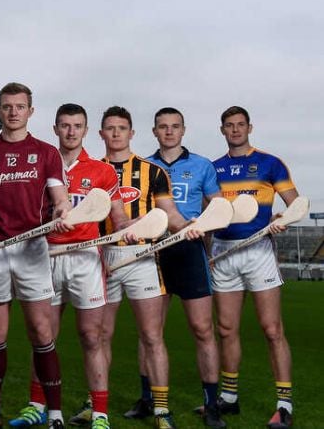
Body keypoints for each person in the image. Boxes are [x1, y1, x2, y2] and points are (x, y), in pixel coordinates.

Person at [0, 83, 72, 429]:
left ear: (30, 111)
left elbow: (60, 198)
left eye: (20, 106)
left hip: (32, 249)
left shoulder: (47, 152)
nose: (13, 112)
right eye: (7, 106)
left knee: (41, 331)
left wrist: (61, 212)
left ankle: (54, 415)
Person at [13, 103, 134, 429]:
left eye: (77, 126)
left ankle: (100, 414)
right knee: (43, 336)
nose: (70, 131)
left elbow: (118, 216)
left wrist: (129, 228)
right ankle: (36, 405)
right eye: (64, 125)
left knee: (91, 336)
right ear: (55, 129)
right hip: (45, 258)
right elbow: (27, 216)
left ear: (85, 130)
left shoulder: (102, 171)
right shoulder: (37, 167)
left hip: (85, 260)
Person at [96, 106, 196, 429]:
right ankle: (95, 406)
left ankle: (162, 410)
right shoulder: (93, 170)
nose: (115, 134)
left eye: (121, 128)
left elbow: (170, 215)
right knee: (99, 336)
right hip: (103, 258)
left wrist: (189, 226)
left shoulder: (153, 172)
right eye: (110, 128)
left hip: (142, 259)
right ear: (101, 134)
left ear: (132, 133)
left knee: (152, 335)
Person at [210, 106, 298, 429]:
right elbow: (210, 216)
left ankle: (284, 404)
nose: (235, 130)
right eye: (229, 126)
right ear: (222, 130)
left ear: (250, 127)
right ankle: (229, 398)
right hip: (223, 251)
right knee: (226, 329)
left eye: (240, 125)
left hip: (259, 250)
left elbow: (296, 205)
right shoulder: (213, 169)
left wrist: (281, 220)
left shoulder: (270, 163)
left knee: (272, 329)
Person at [145, 107, 225, 428]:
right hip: (153, 252)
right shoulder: (145, 166)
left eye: (174, 126)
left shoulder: (202, 165)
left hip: (189, 251)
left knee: (203, 330)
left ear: (183, 130)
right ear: (154, 131)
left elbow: (217, 209)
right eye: (162, 127)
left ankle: (211, 404)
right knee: (151, 332)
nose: (168, 132)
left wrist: (206, 241)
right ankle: (146, 399)